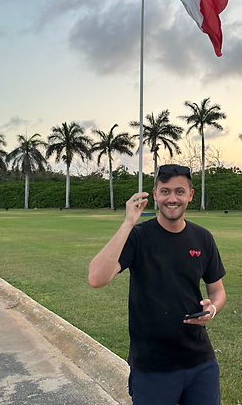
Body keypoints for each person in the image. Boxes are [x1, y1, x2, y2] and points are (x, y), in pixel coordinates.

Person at [88, 164, 227, 405]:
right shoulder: (138, 237)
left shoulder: (203, 238)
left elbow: (217, 291)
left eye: (179, 191)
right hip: (152, 366)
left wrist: (211, 309)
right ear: (155, 194)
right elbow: (96, 278)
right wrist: (127, 224)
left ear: (190, 196)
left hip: (200, 363)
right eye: (165, 191)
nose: (172, 198)